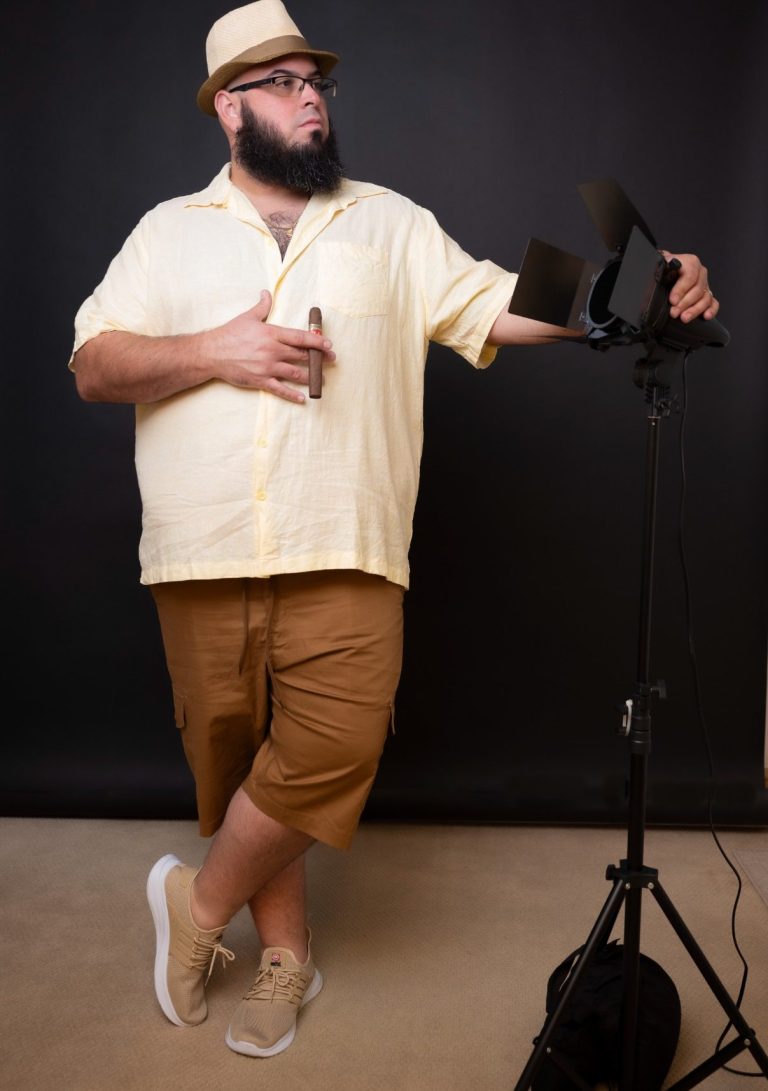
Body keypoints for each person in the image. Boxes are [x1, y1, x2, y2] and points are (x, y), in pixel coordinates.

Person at [70, 0, 719, 1060]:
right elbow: (95, 364)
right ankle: (289, 955)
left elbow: (496, 302)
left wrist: (637, 290)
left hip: (348, 542)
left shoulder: (389, 221)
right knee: (240, 765)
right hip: (201, 547)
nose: (312, 94)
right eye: (282, 81)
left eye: (317, 79)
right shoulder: (164, 233)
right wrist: (216, 349)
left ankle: (194, 906)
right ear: (230, 106)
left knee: (332, 745)